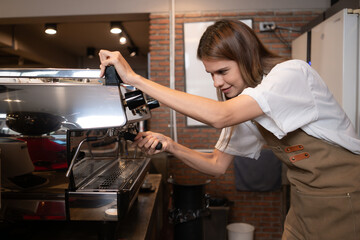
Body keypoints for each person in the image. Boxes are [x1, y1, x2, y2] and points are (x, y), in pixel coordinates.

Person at [99, 19, 360, 239]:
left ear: (246, 56)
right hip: (303, 205)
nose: (217, 82)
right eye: (211, 74)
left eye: (223, 71)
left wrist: (134, 79)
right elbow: (216, 164)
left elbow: (220, 116)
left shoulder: (292, 74)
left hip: (344, 200)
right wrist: (170, 144)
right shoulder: (246, 104)